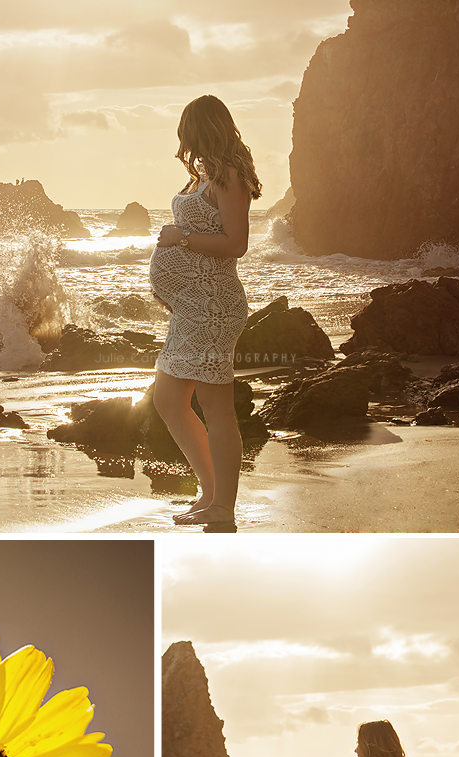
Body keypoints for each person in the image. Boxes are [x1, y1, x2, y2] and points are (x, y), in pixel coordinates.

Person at [148, 95, 261, 533]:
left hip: (214, 306)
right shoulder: (205, 177)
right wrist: (174, 289)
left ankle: (223, 507)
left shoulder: (230, 176)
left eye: (186, 129)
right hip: (191, 308)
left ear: (201, 128)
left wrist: (180, 238)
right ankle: (210, 492)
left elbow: (235, 244)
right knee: (168, 400)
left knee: (217, 407)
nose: (183, 140)